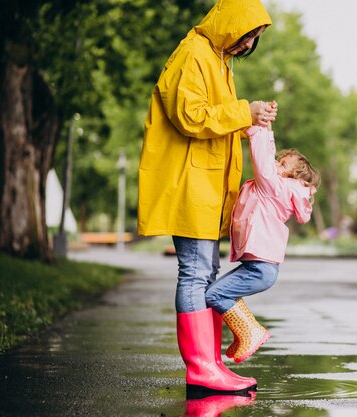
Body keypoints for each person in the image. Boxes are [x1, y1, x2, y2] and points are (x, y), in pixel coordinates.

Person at [137, 0, 276, 396]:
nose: (248, 44)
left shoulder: (215, 58)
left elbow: (217, 116)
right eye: (248, 34)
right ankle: (201, 368)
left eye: (255, 39)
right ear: (231, 24)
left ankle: (211, 363)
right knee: (196, 273)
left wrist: (249, 115)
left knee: (204, 273)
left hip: (205, 187)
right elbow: (191, 115)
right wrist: (243, 111)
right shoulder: (194, 53)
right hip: (190, 185)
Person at [205, 124, 320, 364]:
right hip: (259, 268)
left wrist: (258, 131)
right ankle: (246, 331)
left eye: (282, 164)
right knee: (216, 293)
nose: (276, 164)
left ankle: (250, 331)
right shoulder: (276, 187)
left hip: (260, 269)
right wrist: (266, 128)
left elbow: (263, 161)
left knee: (214, 295)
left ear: (292, 177)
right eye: (278, 160)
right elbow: (268, 160)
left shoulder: (275, 187)